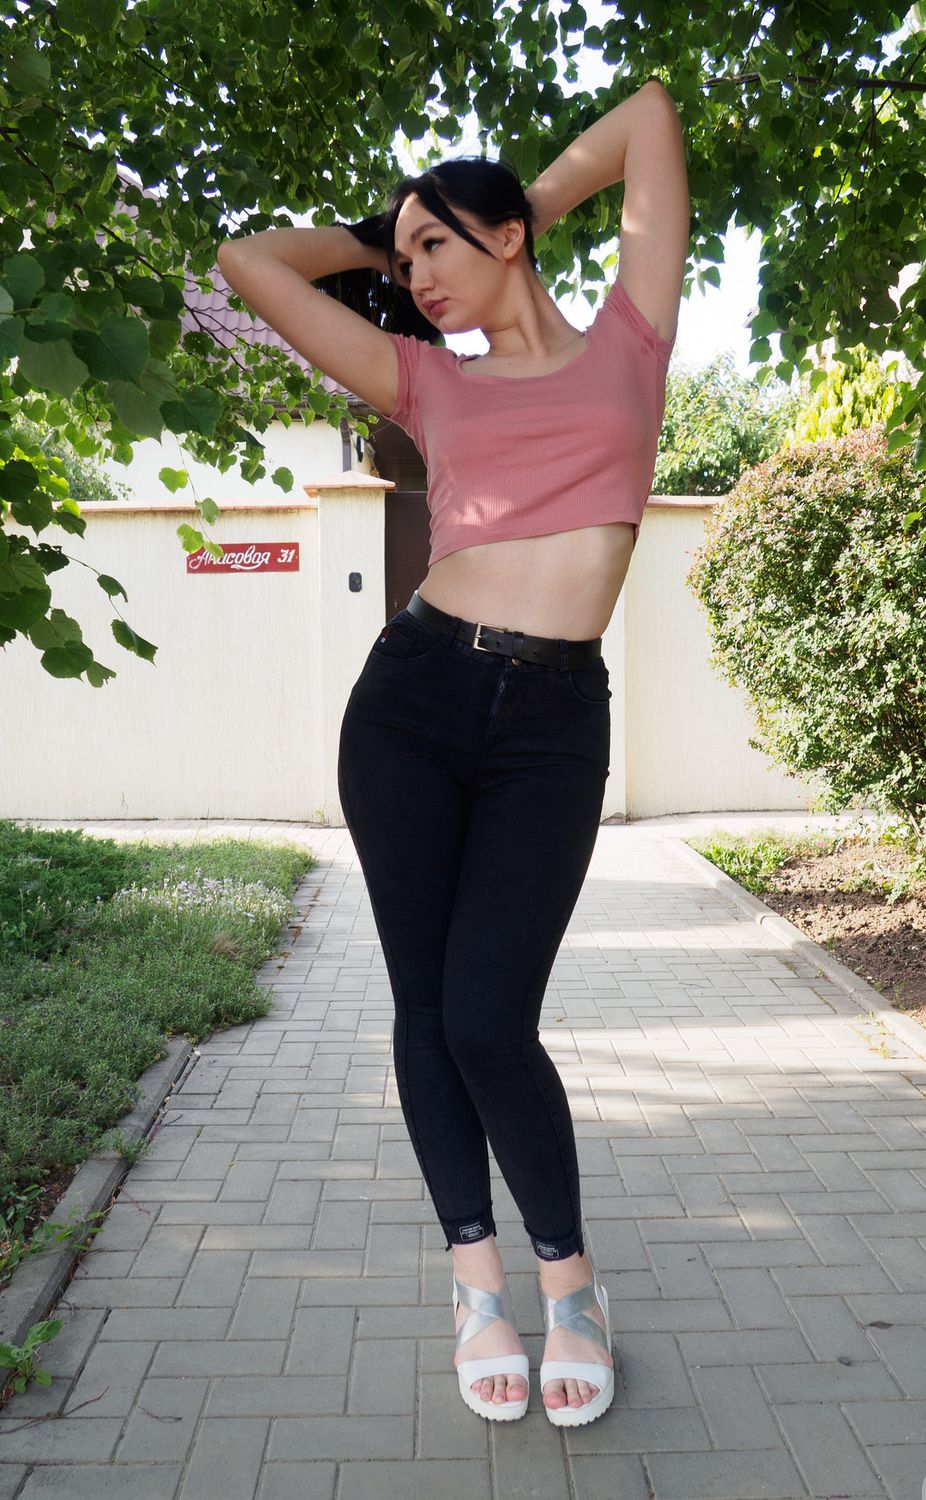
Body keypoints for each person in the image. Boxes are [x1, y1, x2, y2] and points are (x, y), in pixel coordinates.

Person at [216, 76, 689, 1427]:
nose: (416, 273)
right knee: (427, 1011)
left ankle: (571, 1286)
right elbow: (247, 265)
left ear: (511, 238)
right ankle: (479, 1286)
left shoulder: (631, 339)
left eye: (438, 246)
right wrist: (384, 235)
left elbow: (650, 116)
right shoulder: (423, 377)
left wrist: (507, 199)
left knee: (490, 1017)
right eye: (405, 254)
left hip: (552, 724)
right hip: (413, 706)